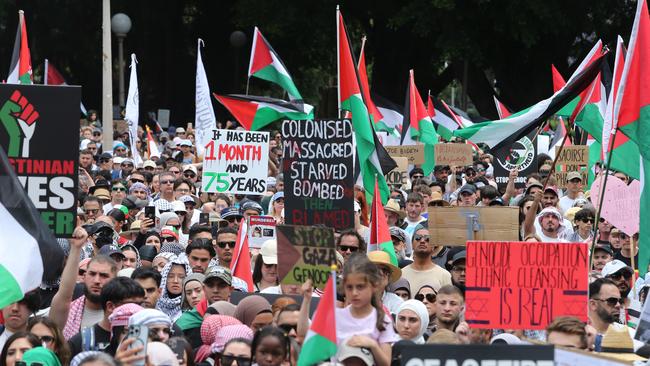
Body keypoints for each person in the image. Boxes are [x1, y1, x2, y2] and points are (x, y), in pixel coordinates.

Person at [299, 253, 397, 366]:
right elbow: (303, 334)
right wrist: (306, 300)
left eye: (360, 287)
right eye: (349, 287)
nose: (354, 293)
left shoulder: (382, 320)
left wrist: (372, 345)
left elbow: (386, 363)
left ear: (374, 286)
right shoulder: (335, 316)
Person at [52, 229, 118, 340]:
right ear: (84, 276)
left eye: (104, 275)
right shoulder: (67, 312)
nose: (97, 280)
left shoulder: (123, 316)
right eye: (92, 274)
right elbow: (65, 293)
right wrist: (75, 248)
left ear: (115, 280)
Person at [67, 277, 145, 357]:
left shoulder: (143, 337)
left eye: (140, 305)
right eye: (131, 306)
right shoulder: (80, 342)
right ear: (110, 306)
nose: (137, 310)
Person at [401, 225, 452, 296]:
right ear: (412, 244)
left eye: (427, 239)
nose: (422, 241)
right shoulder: (401, 274)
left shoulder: (444, 275)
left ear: (434, 246)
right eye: (418, 238)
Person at [156, 256, 192, 322]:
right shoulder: (156, 305)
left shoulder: (191, 305)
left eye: (181, 277)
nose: (175, 281)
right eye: (170, 276)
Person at [367, 251, 403, 315]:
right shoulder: (356, 297)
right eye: (374, 269)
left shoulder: (397, 302)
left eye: (384, 270)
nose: (380, 273)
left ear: (388, 276)